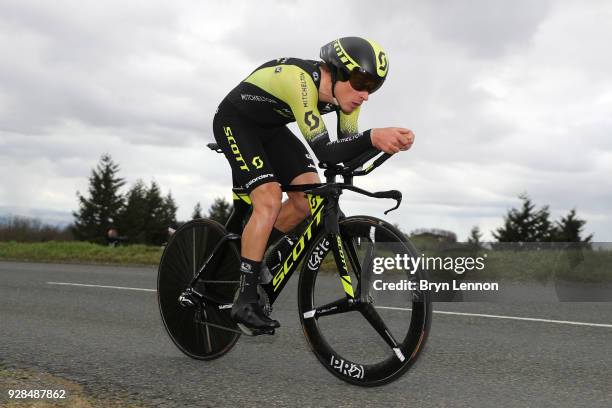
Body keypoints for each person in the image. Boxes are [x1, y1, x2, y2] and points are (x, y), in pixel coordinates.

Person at [212, 37, 415, 333]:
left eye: (372, 87)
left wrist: (386, 145)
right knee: (268, 198)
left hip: (271, 130)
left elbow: (344, 155)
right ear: (335, 71)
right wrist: (373, 137)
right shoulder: (301, 82)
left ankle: (252, 258)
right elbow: (326, 152)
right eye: (360, 82)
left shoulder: (349, 100)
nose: (365, 94)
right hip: (235, 121)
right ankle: (244, 299)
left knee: (306, 200)